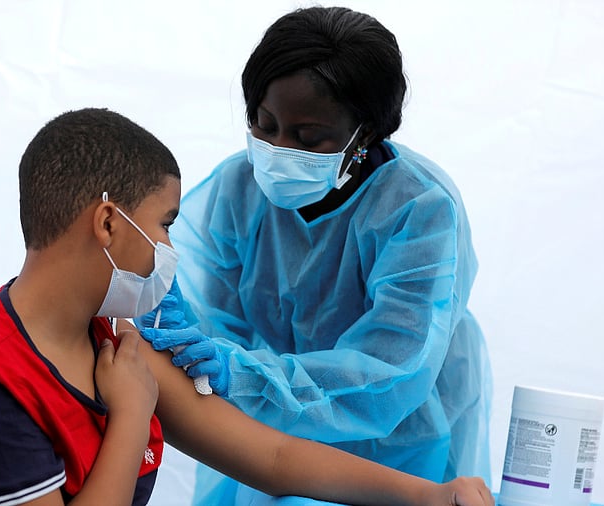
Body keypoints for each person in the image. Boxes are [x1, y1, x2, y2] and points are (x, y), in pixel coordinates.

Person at [0, 108, 493, 506]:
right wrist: (132, 415)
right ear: (108, 223)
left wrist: (432, 496)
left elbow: (274, 457)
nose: (172, 249)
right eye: (165, 224)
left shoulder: (107, 341)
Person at [136, 6, 492, 505]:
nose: (278, 149)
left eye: (308, 138)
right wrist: (185, 336)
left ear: (365, 133)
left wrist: (245, 376)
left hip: (396, 432)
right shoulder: (238, 189)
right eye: (264, 125)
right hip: (269, 423)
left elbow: (391, 372)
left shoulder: (419, 208)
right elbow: (203, 320)